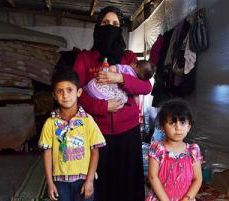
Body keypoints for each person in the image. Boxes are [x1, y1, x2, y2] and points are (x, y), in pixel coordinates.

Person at [74, 5, 152, 201]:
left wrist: (120, 79)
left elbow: (146, 88)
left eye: (116, 24)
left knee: (126, 182)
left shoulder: (129, 58)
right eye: (106, 23)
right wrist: (102, 107)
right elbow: (77, 93)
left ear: (121, 30)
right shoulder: (84, 58)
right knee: (100, 183)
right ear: (97, 27)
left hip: (128, 131)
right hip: (97, 132)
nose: (110, 27)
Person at [38, 69, 106, 201]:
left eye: (70, 90)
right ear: (54, 95)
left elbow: (95, 152)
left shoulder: (87, 120)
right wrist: (50, 182)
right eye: (60, 91)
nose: (65, 95)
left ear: (79, 92)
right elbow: (47, 153)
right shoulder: (50, 123)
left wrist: (90, 181)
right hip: (60, 181)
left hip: (84, 179)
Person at [146, 99, 202, 201]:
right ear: (162, 127)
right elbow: (152, 177)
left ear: (189, 126)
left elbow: (198, 179)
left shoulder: (193, 150)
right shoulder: (157, 149)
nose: (178, 127)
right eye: (172, 123)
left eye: (182, 122)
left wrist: (187, 198)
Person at [84, 60, 155, 106]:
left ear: (134, 64)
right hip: (108, 95)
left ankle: (88, 89)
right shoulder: (137, 80)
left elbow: (112, 68)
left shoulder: (127, 68)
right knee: (123, 98)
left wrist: (112, 71)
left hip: (98, 86)